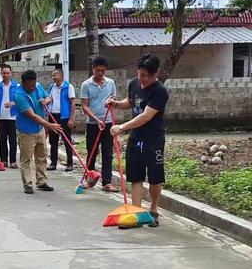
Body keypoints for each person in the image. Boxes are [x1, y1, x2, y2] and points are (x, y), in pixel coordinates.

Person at [108, 54, 169, 227]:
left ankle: (154, 210)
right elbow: (130, 102)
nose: (142, 79)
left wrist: (121, 127)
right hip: (136, 137)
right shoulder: (135, 83)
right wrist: (116, 104)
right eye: (140, 74)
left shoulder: (160, 92)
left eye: (146, 76)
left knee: (155, 177)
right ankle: (136, 213)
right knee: (136, 176)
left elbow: (145, 116)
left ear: (156, 73)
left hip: (153, 139)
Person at [14, 70, 62, 194]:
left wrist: (46, 101)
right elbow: (32, 115)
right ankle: (27, 184)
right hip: (26, 131)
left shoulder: (38, 86)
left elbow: (48, 97)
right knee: (26, 159)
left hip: (39, 129)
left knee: (42, 156)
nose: (32, 88)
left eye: (33, 85)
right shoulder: (19, 95)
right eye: (29, 86)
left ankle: (41, 181)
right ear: (23, 83)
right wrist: (49, 125)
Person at [80, 56, 118, 192]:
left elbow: (113, 99)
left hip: (108, 123)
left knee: (108, 153)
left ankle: (106, 182)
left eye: (103, 70)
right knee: (92, 152)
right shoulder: (86, 85)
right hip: (92, 124)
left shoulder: (110, 83)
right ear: (93, 69)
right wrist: (96, 120)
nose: (100, 73)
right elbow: (84, 106)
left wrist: (112, 101)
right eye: (97, 70)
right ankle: (89, 180)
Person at [47, 67, 75, 172]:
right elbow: (49, 98)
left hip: (64, 116)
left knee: (67, 140)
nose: (53, 77)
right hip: (53, 116)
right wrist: (45, 101)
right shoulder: (52, 87)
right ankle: (53, 163)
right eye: (52, 75)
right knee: (53, 140)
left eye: (55, 75)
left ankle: (70, 164)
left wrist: (71, 118)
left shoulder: (68, 87)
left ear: (61, 76)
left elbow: (72, 103)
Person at [0, 64, 18, 168]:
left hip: (12, 117)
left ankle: (13, 161)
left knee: (12, 140)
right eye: (4, 73)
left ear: (10, 73)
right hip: (0, 117)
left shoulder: (17, 86)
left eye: (7, 73)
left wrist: (12, 103)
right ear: (1, 74)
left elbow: (21, 101)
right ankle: (3, 160)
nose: (6, 75)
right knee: (2, 140)